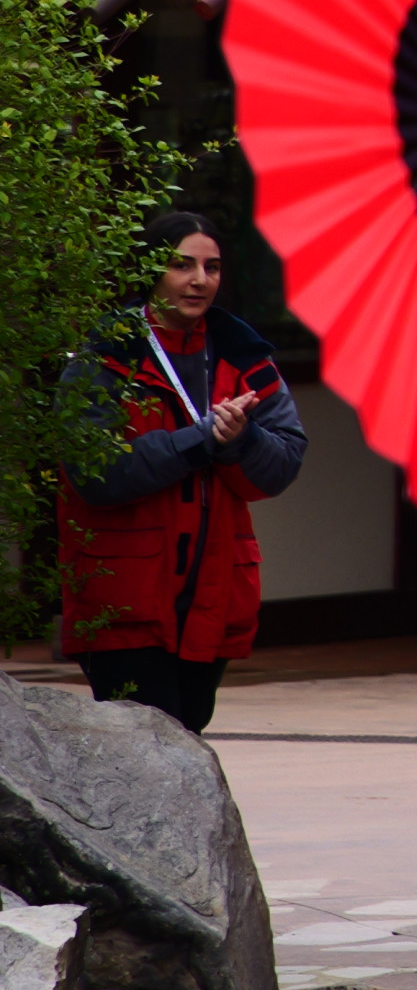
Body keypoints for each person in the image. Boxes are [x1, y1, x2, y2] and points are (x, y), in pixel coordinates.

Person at [58, 208, 308, 734]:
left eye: (212, 267)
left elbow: (282, 466)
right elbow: (96, 474)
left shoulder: (245, 357)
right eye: (182, 265)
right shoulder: (105, 356)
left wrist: (242, 439)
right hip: (125, 599)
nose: (199, 280)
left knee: (188, 735)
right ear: (150, 270)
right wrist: (202, 439)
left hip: (212, 596)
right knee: (144, 749)